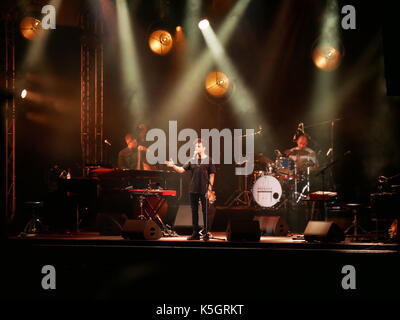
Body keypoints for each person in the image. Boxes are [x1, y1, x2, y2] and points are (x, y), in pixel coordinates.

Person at [165, 138, 216, 241]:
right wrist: (173, 165)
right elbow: (181, 170)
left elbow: (212, 175)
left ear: (204, 148)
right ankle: (195, 233)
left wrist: (209, 189)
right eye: (196, 146)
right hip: (193, 189)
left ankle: (206, 233)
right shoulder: (191, 160)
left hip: (204, 189)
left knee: (205, 211)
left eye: (199, 146)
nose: (197, 148)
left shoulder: (209, 160)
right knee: (194, 211)